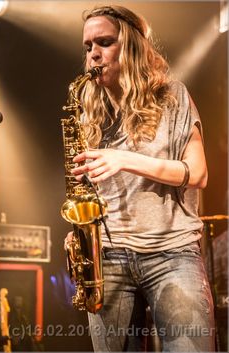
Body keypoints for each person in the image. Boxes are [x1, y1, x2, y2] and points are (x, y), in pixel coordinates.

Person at [65, 5, 215, 352]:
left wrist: (126, 159)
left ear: (132, 46)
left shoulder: (173, 95)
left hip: (172, 253)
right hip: (107, 257)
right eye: (88, 46)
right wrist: (78, 234)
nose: (93, 55)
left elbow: (198, 173)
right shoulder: (88, 106)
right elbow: (84, 186)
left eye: (104, 42)